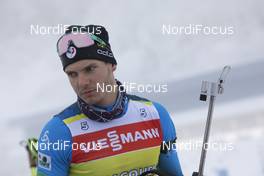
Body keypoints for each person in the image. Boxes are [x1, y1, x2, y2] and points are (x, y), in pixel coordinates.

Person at [37, 25, 183, 176]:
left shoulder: (156, 114)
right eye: (72, 74)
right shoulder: (57, 132)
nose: (81, 82)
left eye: (90, 69)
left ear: (112, 64)